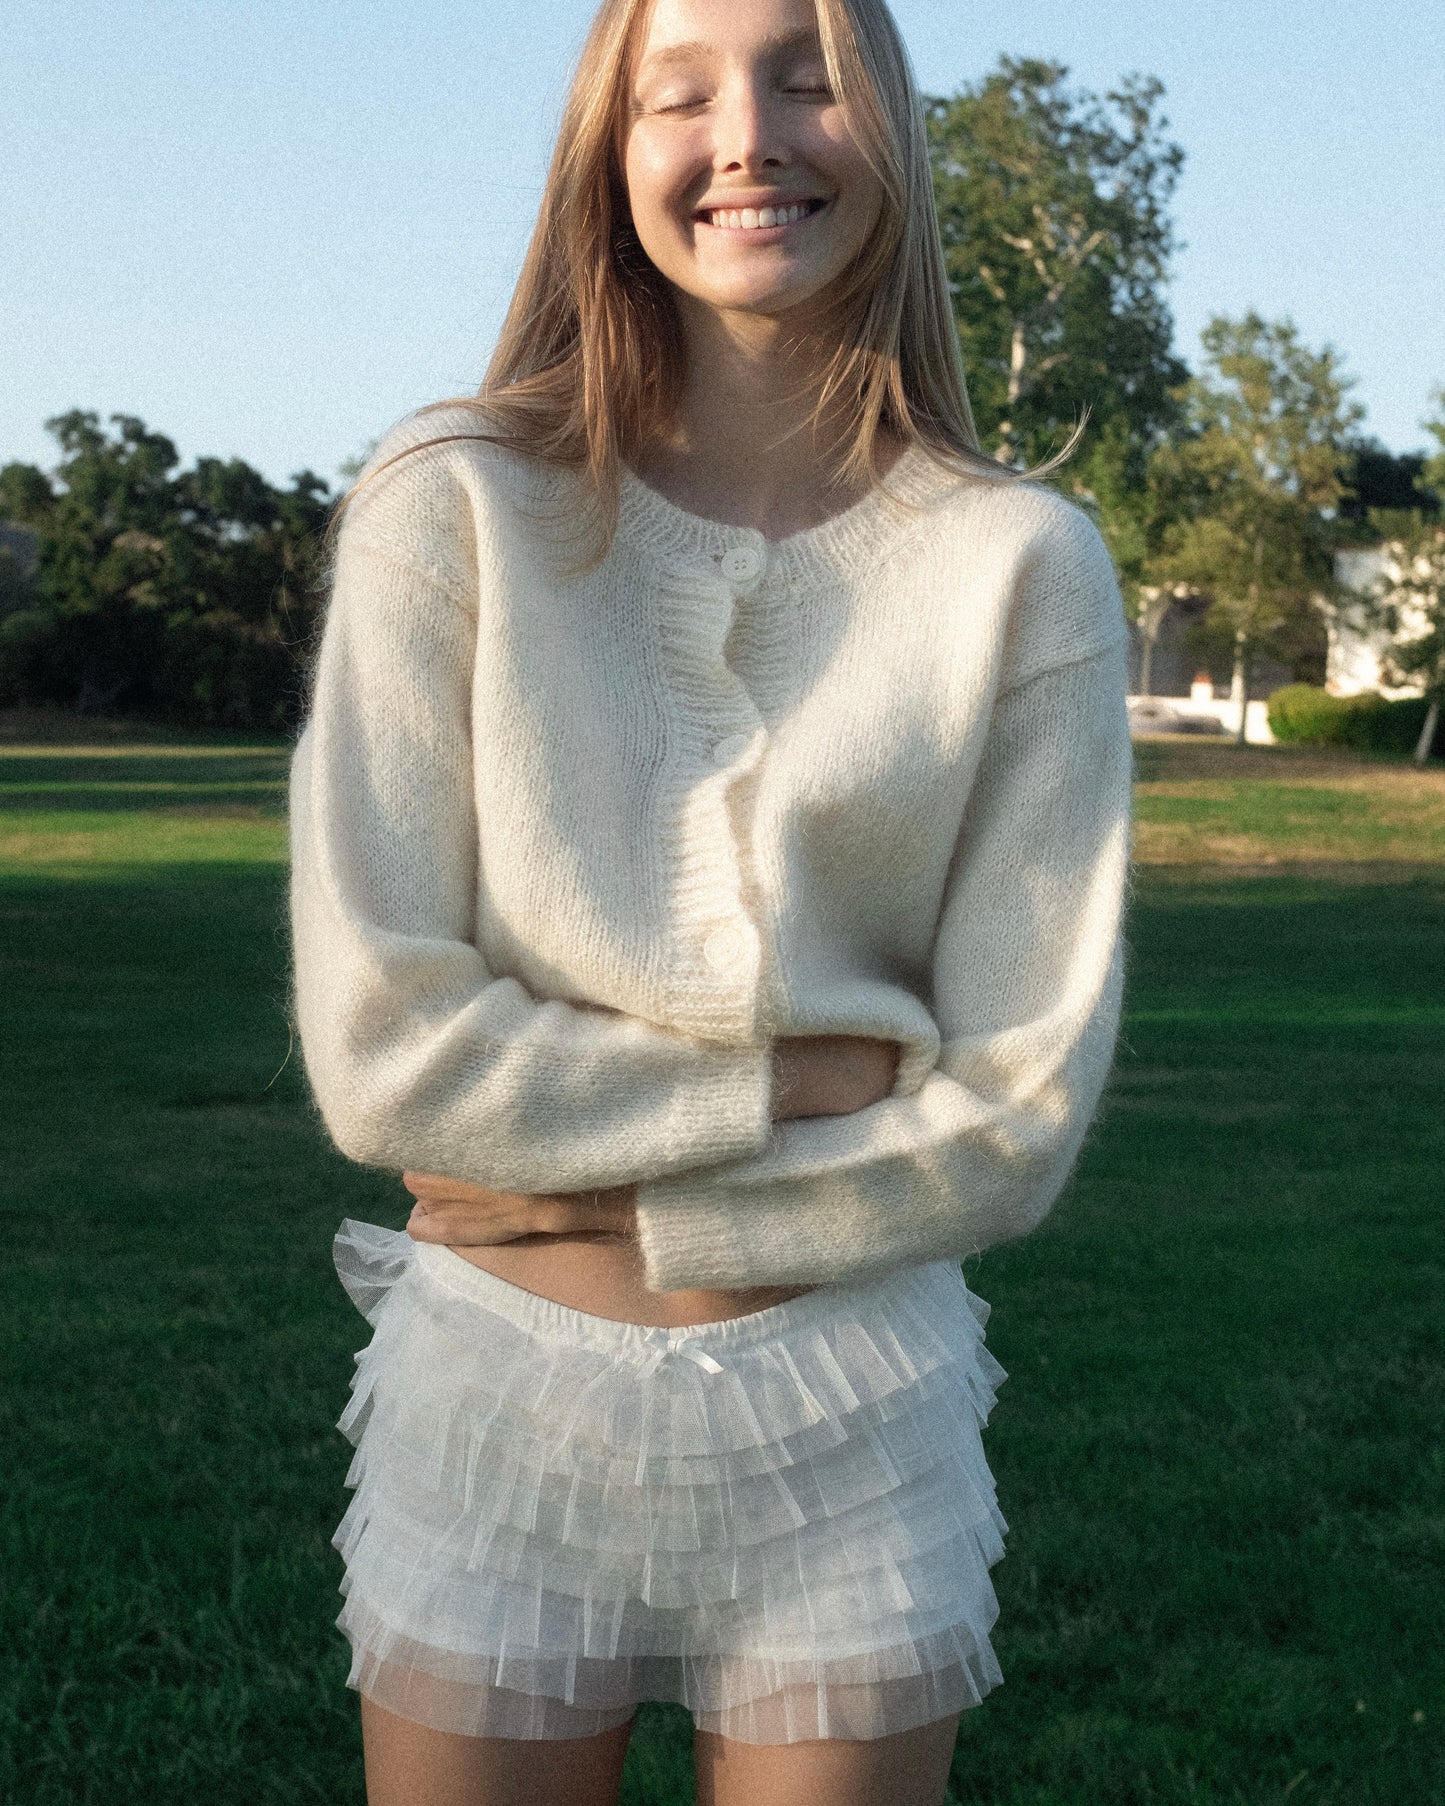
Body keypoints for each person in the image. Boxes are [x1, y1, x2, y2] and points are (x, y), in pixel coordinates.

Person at [286, 0, 1132, 1799]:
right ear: (612, 155)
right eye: (679, 94)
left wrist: (585, 1177)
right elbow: (386, 1060)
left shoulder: (1018, 566)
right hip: (494, 1402)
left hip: (855, 1415)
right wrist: (791, 1083)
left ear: (887, 131)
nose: (744, 134)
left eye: (805, 76)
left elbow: (1014, 1121)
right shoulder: (450, 511)